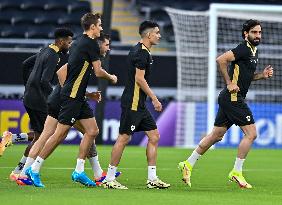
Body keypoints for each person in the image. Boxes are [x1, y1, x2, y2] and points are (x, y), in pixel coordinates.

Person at [178, 19, 274, 189]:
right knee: (251, 134)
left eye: (259, 32)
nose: (258, 35)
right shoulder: (243, 48)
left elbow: (246, 77)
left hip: (230, 98)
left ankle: (188, 163)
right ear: (246, 34)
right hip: (233, 98)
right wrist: (229, 82)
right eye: (254, 32)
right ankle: (236, 172)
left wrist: (262, 75)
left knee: (216, 135)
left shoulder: (253, 51)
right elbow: (221, 59)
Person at [26, 13, 117, 188]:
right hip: (72, 97)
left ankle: (79, 170)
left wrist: (86, 93)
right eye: (99, 25)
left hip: (77, 96)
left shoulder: (77, 43)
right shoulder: (90, 44)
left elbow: (69, 72)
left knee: (92, 131)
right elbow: (98, 72)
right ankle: (35, 169)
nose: (101, 28)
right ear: (92, 27)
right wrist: (111, 77)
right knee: (59, 134)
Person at [102, 20, 170, 190]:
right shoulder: (141, 53)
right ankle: (109, 178)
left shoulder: (141, 50)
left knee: (154, 137)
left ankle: (152, 178)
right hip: (133, 102)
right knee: (124, 138)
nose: (159, 35)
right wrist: (154, 98)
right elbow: (139, 79)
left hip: (138, 103)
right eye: (156, 32)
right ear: (148, 35)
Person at [4, 28, 73, 180]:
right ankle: (19, 168)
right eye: (68, 42)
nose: (70, 44)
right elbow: (44, 81)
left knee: (39, 134)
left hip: (29, 96)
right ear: (61, 41)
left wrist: (28, 87)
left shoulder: (44, 50)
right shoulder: (53, 56)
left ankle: (16, 165)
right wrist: (55, 97)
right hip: (40, 100)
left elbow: (25, 64)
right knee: (42, 137)